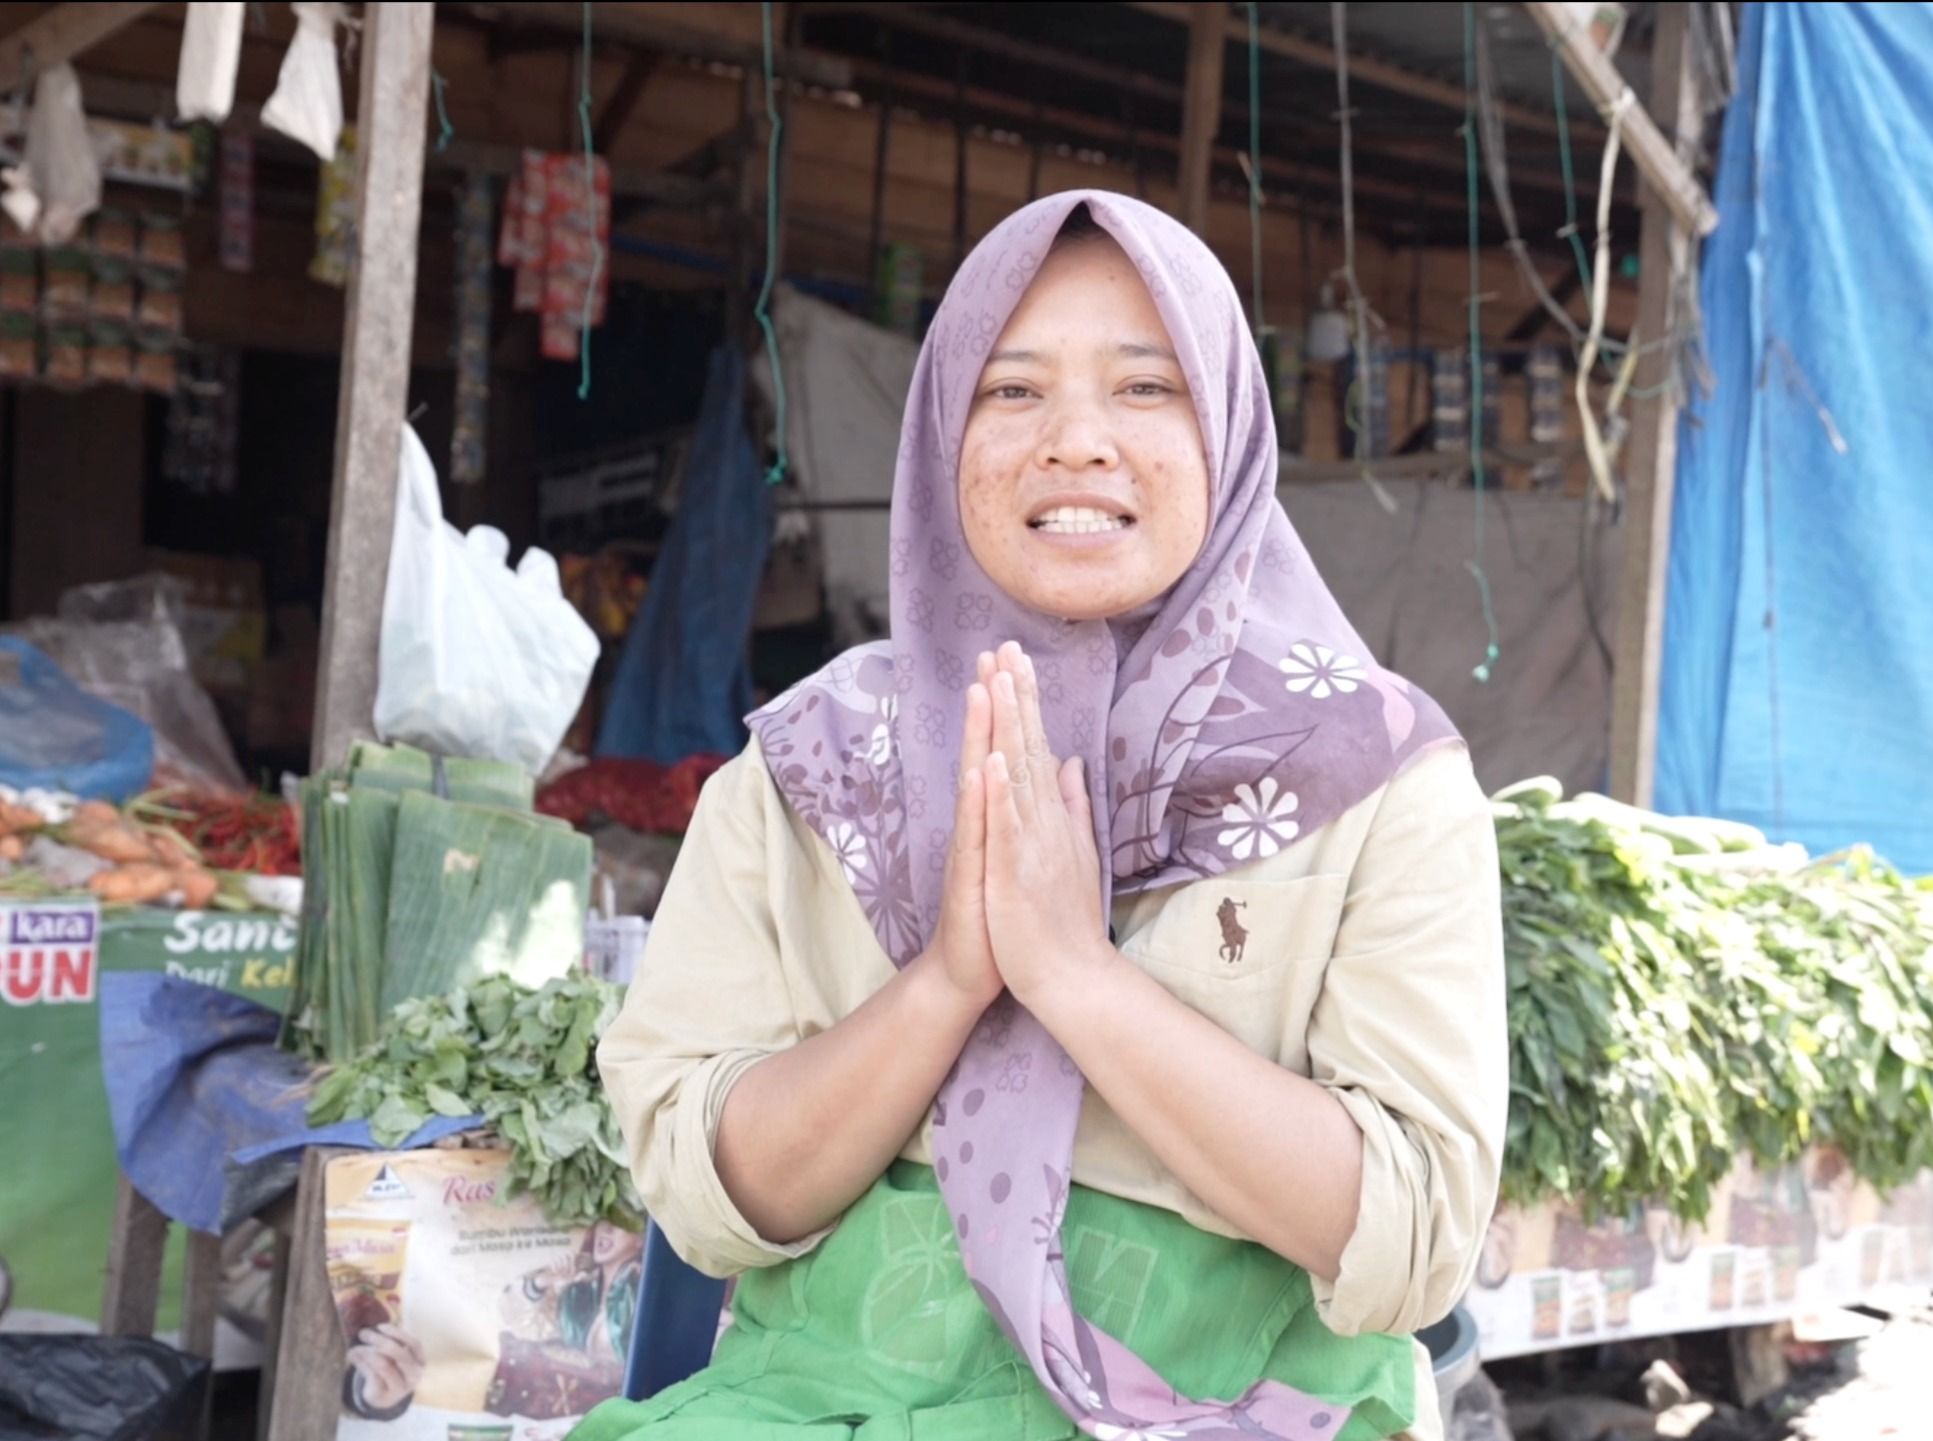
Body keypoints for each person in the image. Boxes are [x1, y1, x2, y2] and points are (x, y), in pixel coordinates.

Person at [578, 190, 1504, 1441]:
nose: (1075, 441)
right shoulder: (809, 768)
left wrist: (1076, 977)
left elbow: (1414, 1239)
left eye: (1146, 387)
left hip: (1238, 1406)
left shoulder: (1374, 776)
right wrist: (947, 983)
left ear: (1228, 429)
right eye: (1011, 389)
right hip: (821, 1402)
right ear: (940, 432)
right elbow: (705, 1197)